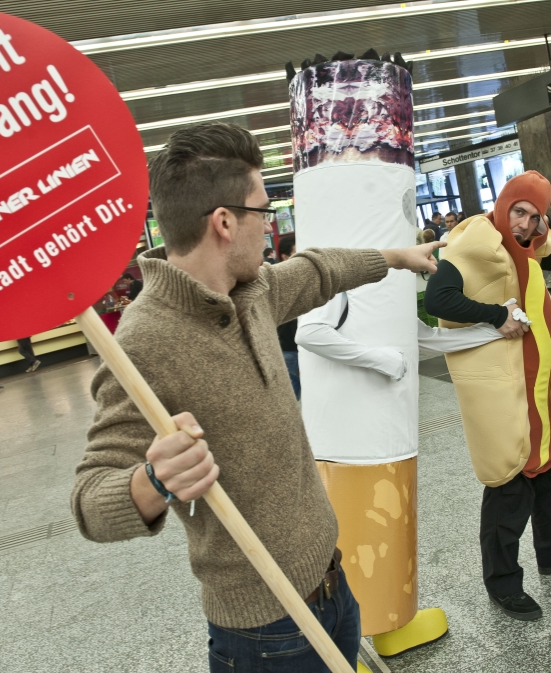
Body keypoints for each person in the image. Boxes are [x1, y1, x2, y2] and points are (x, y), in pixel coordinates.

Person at [70, 121, 442, 672]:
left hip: (333, 588)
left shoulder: (252, 291)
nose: (269, 225)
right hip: (265, 633)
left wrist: (393, 257)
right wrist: (152, 481)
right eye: (263, 211)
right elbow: (88, 499)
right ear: (224, 222)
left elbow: (317, 270)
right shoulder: (144, 342)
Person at [423, 171, 551, 622]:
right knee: (509, 486)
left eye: (532, 216)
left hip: (536, 381)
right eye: (516, 211)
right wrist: (494, 316)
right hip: (503, 384)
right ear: (501, 206)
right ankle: (502, 582)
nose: (522, 224)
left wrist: (547, 217)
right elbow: (438, 299)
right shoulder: (472, 243)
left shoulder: (531, 244)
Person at [275, 236, 300, 399]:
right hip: (292, 348)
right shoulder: (282, 280)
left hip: (289, 348)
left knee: (294, 394)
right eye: (296, 253)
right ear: (285, 256)